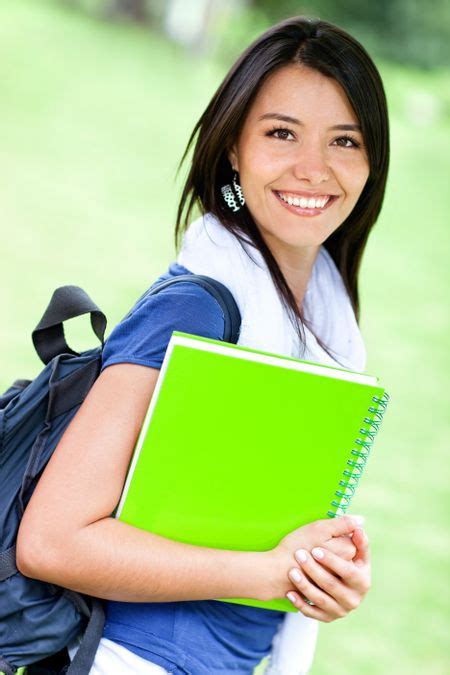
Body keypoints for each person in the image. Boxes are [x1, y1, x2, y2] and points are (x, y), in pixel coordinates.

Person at [16, 14, 389, 675]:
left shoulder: (325, 327)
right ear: (233, 150)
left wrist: (321, 580)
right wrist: (270, 573)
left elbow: (259, 536)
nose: (315, 168)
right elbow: (51, 540)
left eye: (345, 140)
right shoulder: (196, 308)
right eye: (281, 133)